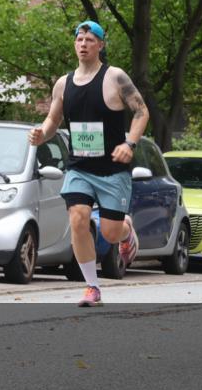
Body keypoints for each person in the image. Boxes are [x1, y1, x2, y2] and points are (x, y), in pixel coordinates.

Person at [28, 21, 148, 307]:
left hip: (112, 169)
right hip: (80, 167)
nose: (83, 44)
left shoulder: (115, 77)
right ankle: (92, 287)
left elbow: (142, 112)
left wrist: (129, 143)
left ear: (101, 45)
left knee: (109, 232)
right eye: (79, 39)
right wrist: (41, 134)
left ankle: (126, 230)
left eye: (90, 40)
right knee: (78, 218)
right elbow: (53, 121)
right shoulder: (63, 83)